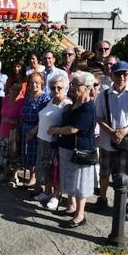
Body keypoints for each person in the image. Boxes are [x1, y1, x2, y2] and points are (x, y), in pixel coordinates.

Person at [95, 61, 128, 211]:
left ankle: (123, 202)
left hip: (127, 141)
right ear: (111, 75)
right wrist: (111, 132)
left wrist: (124, 131)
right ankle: (102, 198)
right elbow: (99, 117)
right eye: (117, 74)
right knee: (104, 173)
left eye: (125, 74)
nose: (121, 77)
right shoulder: (104, 94)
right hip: (106, 140)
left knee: (125, 174)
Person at [48, 71, 97, 228]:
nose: (73, 87)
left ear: (87, 87)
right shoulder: (75, 103)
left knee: (80, 184)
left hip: (80, 151)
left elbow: (73, 129)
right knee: (69, 180)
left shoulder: (88, 107)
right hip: (67, 148)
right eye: (73, 83)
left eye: (76, 84)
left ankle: (80, 216)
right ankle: (71, 207)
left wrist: (55, 130)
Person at [34, 74, 72, 210]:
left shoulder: (67, 104)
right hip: (42, 138)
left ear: (65, 88)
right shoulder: (50, 101)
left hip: (55, 141)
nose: (56, 90)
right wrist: (34, 131)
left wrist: (55, 130)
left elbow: (68, 125)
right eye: (52, 88)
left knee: (55, 169)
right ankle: (47, 192)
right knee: (45, 167)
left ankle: (56, 196)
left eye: (59, 88)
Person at [20, 72, 51, 187]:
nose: (34, 85)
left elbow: (44, 117)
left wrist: (34, 130)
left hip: (36, 130)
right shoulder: (28, 97)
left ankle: (34, 178)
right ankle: (31, 176)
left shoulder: (45, 98)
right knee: (27, 155)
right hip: (25, 129)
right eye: (32, 82)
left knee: (35, 156)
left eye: (37, 82)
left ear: (42, 83)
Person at [0, 82, 24, 186]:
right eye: (13, 89)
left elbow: (22, 119)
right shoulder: (5, 99)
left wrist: (11, 121)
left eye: (18, 89)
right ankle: (5, 173)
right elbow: (2, 114)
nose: (15, 91)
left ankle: (14, 176)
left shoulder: (22, 101)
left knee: (14, 155)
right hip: (4, 130)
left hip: (15, 132)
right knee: (4, 154)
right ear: (9, 89)